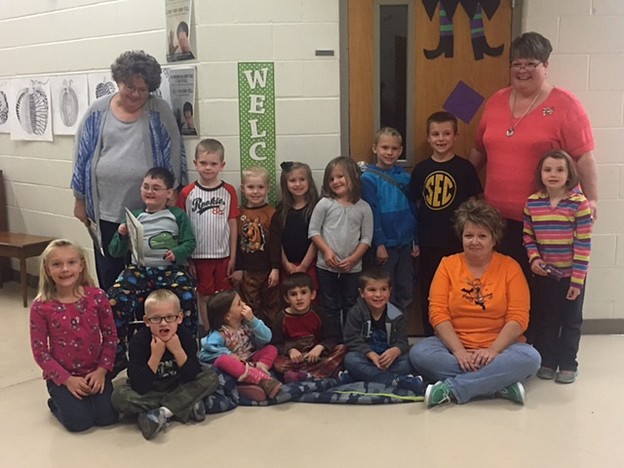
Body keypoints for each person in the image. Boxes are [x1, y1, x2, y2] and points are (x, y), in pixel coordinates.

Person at [468, 31, 598, 282]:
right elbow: (478, 151)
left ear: (545, 66)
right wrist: (460, 187)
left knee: (542, 291)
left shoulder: (567, 105)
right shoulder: (496, 101)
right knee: (503, 286)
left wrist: (592, 200)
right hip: (496, 219)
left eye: (530, 64)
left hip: (548, 221)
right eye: (517, 64)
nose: (522, 70)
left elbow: (584, 157)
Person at [71, 50, 187, 291]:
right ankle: (115, 325)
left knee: (148, 274)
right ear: (118, 81)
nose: (135, 94)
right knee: (111, 274)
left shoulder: (159, 111)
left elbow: (174, 153)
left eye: (143, 90)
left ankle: (149, 326)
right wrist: (79, 199)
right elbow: (81, 157)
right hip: (105, 212)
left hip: (149, 213)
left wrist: (172, 193)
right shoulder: (97, 111)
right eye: (129, 86)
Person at [409, 199, 541, 408]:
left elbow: (518, 318)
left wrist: (493, 351)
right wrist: (459, 351)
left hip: (500, 348)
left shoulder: (510, 267)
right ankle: (498, 382)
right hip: (454, 346)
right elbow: (437, 313)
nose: (474, 242)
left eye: (482, 236)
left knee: (531, 358)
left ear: (494, 239)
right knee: (419, 354)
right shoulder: (447, 265)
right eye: (468, 235)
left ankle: (453, 389)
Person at [108, 167, 197, 373]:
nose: (150, 191)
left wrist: (177, 252)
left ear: (169, 193)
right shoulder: (134, 216)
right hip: (139, 269)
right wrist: (121, 235)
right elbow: (114, 251)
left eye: (156, 188)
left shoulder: (177, 215)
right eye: (146, 187)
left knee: (186, 293)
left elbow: (190, 242)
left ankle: (186, 347)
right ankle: (119, 352)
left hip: (168, 269)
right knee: (115, 297)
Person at [30, 239, 118, 432]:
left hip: (95, 371)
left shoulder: (97, 297)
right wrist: (67, 379)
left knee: (108, 418)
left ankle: (87, 401)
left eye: (71, 262)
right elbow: (40, 352)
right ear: (47, 269)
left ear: (81, 265)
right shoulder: (41, 306)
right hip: (64, 376)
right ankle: (56, 402)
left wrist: (102, 370)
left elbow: (111, 337)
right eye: (57, 264)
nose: (65, 269)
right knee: (79, 424)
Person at [410, 111, 483, 335]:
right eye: (435, 134)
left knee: (458, 289)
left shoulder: (465, 168)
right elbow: (415, 207)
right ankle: (431, 335)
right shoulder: (421, 170)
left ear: (456, 136)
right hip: (429, 241)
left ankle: (459, 333)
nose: (441, 139)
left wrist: (471, 238)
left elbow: (474, 206)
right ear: (428, 138)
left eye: (446, 133)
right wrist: (415, 240)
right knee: (431, 291)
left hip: (458, 243)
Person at [523, 150, 592, 384]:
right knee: (546, 319)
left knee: (571, 321)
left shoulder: (578, 204)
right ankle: (548, 361)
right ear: (540, 174)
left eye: (560, 170)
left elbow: (583, 244)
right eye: (548, 169)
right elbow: (528, 237)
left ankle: (568, 363)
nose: (553, 174)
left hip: (572, 276)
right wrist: (534, 260)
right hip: (545, 276)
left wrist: (577, 280)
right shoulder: (533, 203)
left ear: (569, 174)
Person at [111, 290, 219, 440]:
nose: (163, 323)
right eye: (156, 318)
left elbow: (192, 374)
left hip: (180, 385)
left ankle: (162, 413)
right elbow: (139, 385)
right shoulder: (139, 341)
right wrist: (155, 356)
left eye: (169, 317)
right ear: (147, 321)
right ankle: (184, 406)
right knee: (119, 395)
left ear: (179, 318)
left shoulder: (185, 335)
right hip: (152, 390)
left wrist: (177, 350)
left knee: (211, 376)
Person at [177, 139, 239, 333]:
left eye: (213, 163)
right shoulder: (187, 193)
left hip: (223, 255)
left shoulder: (228, 191)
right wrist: (188, 259)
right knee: (203, 296)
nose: (208, 168)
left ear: (222, 165)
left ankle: (225, 331)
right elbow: (182, 228)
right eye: (203, 163)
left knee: (224, 296)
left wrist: (233, 256)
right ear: (195, 163)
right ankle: (209, 331)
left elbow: (233, 224)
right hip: (199, 256)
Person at [309, 156, 373, 332]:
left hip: (352, 268)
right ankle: (333, 341)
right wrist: (327, 252)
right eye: (331, 179)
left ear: (353, 176)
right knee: (330, 306)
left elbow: (367, 238)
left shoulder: (364, 208)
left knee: (351, 305)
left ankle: (350, 341)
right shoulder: (325, 204)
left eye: (340, 176)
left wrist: (353, 259)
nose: (335, 181)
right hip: (326, 266)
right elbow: (314, 231)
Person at [361, 127, 419, 312]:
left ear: (400, 151)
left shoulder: (405, 177)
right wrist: (379, 244)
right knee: (384, 292)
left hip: (406, 244)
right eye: (384, 147)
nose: (389, 152)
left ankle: (399, 334)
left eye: (394, 148)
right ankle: (384, 334)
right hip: (385, 246)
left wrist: (415, 240)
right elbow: (372, 213)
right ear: (374, 148)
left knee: (405, 288)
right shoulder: (368, 178)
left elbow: (413, 209)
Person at [342, 267, 423, 394]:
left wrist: (395, 351)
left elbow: (402, 342)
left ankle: (363, 376)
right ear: (362, 293)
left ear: (390, 292)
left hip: (389, 360)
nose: (378, 295)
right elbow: (351, 340)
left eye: (383, 289)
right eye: (372, 290)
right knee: (350, 359)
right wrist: (370, 354)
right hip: (366, 357)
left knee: (409, 360)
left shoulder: (397, 315)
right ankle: (394, 381)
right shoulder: (355, 313)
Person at [199, 290, 282, 401]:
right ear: (228, 316)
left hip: (251, 359)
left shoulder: (247, 325)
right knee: (223, 360)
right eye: (239, 304)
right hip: (237, 366)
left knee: (271, 349)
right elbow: (203, 354)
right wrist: (228, 354)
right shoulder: (221, 334)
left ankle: (260, 370)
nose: (244, 305)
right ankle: (259, 380)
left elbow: (267, 337)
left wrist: (253, 320)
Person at [272, 273, 347, 382]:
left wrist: (320, 347)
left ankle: (303, 375)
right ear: (286, 298)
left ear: (312, 294)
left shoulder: (319, 313)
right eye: (293, 294)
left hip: (316, 357)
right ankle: (321, 373)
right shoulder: (281, 317)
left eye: (303, 293)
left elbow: (332, 337)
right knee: (278, 364)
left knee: (342, 349)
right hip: (294, 360)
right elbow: (276, 344)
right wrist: (290, 350)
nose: (299, 298)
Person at [231, 166, 281, 326]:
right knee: (251, 305)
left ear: (268, 189)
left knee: (271, 305)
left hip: (268, 270)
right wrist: (238, 268)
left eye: (260, 187)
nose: (255, 192)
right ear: (243, 189)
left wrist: (276, 268)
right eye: (251, 187)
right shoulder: (238, 214)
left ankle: (273, 337)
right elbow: (236, 242)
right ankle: (254, 338)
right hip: (248, 271)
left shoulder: (272, 213)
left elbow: (275, 243)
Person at [270, 162, 319, 286]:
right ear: (285, 184)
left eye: (302, 179)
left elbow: (317, 239)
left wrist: (304, 265)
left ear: (309, 181)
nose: (298, 184)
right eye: (292, 180)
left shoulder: (317, 208)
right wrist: (286, 264)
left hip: (310, 265)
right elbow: (276, 240)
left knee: (310, 300)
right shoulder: (281, 211)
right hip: (287, 267)